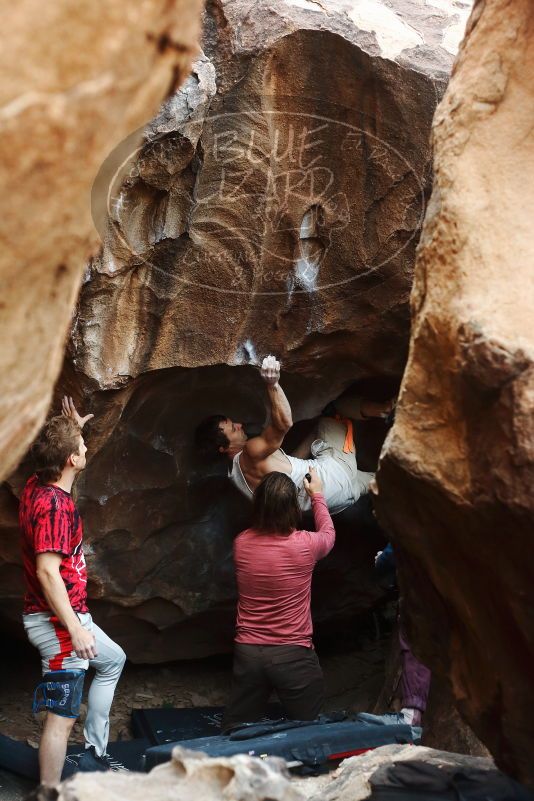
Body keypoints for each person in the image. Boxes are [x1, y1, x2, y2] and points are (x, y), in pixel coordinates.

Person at [20, 397, 126, 785]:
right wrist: (76, 629)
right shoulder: (55, 508)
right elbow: (48, 573)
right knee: (60, 719)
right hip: (60, 624)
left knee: (113, 660)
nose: (86, 450)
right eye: (82, 448)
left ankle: (94, 752)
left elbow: (59, 449)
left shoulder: (36, 484)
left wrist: (72, 429)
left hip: (67, 616)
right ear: (71, 461)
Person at [195, 355, 394, 515]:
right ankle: (385, 409)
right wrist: (272, 384)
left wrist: (313, 432)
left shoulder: (237, 478)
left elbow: (290, 469)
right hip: (336, 474)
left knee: (387, 481)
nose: (239, 425)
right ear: (223, 448)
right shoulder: (251, 450)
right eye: (233, 429)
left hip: (334, 501)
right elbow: (284, 424)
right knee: (334, 410)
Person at [222, 467, 335, 730]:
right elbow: (329, 535)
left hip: (248, 652)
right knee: (308, 727)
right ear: (293, 507)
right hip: (292, 654)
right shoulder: (305, 545)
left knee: (236, 728)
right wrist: (317, 495)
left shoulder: (241, 543)